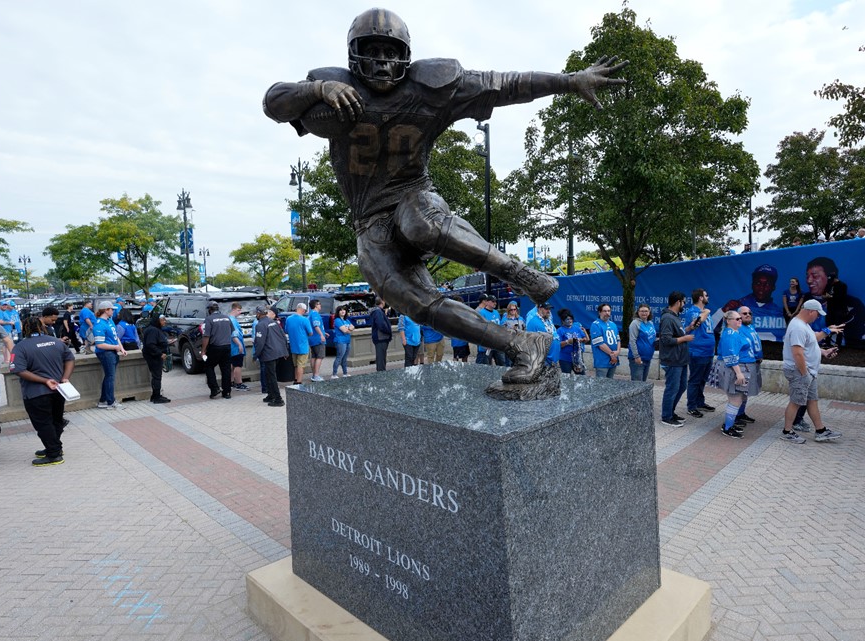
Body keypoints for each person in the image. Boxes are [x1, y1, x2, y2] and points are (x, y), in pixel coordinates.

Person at [263, 8, 626, 385]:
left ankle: (518, 273)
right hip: (369, 221)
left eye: (390, 52)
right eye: (373, 51)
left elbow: (505, 84)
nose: (382, 62)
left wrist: (568, 81)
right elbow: (273, 101)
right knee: (417, 304)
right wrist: (318, 89)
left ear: (405, 55)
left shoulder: (429, 88)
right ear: (354, 54)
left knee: (420, 223)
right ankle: (521, 345)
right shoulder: (335, 90)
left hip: (413, 195)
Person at [11, 315, 75, 467]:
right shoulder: (56, 342)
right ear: (42, 327)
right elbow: (70, 359)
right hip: (59, 390)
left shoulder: (21, 346)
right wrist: (65, 377)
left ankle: (54, 454)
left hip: (36, 393)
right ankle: (54, 447)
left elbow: (18, 369)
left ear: (24, 328)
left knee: (44, 424)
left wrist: (44, 380)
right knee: (56, 420)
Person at [779, 300, 843, 444]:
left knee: (812, 401)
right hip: (801, 372)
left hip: (807, 372)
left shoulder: (803, 325)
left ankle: (820, 431)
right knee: (796, 402)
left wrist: (824, 351)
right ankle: (787, 431)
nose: (818, 317)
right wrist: (804, 374)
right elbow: (797, 354)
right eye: (818, 314)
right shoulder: (798, 327)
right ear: (811, 311)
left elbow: (811, 342)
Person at [804, 257, 865, 346]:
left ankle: (837, 343)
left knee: (838, 328)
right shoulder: (825, 288)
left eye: (815, 276)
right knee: (828, 327)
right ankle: (827, 341)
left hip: (839, 312)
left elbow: (838, 297)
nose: (809, 280)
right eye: (808, 276)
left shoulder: (842, 286)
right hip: (830, 311)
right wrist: (829, 297)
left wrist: (830, 296)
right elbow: (825, 295)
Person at [658, 292, 693, 426]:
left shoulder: (675, 317)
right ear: (678, 302)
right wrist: (685, 338)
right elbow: (666, 339)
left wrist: (688, 329)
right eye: (683, 302)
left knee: (682, 386)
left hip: (681, 359)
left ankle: (671, 412)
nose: (684, 304)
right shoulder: (667, 318)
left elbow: (676, 333)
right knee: (672, 388)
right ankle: (666, 416)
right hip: (673, 360)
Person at [725, 265, 784, 339]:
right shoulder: (738, 305)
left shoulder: (777, 312)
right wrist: (722, 311)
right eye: (758, 283)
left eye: (767, 284)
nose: (761, 287)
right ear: (752, 284)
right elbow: (712, 328)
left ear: (773, 287)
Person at [715, 311, 748, 438]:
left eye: (740, 318)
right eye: (737, 318)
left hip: (730, 367)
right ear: (728, 321)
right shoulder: (729, 334)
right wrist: (739, 373)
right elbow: (730, 356)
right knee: (735, 398)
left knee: (736, 398)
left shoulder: (733, 332)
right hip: (729, 368)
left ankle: (729, 424)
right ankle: (727, 428)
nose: (740, 320)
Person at [683, 289, 715, 417]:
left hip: (708, 352)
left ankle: (700, 402)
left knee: (702, 379)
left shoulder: (706, 313)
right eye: (706, 295)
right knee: (695, 380)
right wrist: (706, 312)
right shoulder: (693, 312)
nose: (708, 297)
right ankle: (691, 406)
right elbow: (696, 323)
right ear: (701, 298)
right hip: (698, 352)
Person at [92, 301, 126, 409]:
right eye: (112, 309)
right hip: (106, 353)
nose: (113, 311)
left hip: (112, 352)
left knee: (109, 377)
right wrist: (116, 347)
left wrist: (121, 348)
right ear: (106, 310)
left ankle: (103, 400)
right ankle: (110, 402)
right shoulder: (99, 325)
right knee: (110, 377)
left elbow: (116, 337)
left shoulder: (110, 321)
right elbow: (100, 345)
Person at [254, 307, 288, 407]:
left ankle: (278, 399)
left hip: (269, 353)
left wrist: (256, 355)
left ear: (259, 314)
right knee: (269, 375)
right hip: (278, 352)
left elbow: (259, 342)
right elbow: (283, 337)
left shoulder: (260, 324)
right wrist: (285, 351)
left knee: (271, 376)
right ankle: (270, 395)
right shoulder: (273, 322)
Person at [735, 306, 763, 426]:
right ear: (738, 316)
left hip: (754, 363)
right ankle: (735, 416)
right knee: (739, 392)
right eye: (744, 313)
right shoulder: (737, 328)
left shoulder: (750, 326)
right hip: (744, 364)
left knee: (746, 392)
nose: (748, 315)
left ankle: (741, 413)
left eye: (750, 313)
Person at [202, 301, 234, 399]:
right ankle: (227, 392)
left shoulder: (209, 319)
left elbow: (206, 336)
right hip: (227, 346)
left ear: (210, 310)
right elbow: (232, 331)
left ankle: (215, 389)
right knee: (226, 369)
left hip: (215, 347)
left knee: (208, 366)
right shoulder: (226, 317)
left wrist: (203, 350)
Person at [141, 314, 172, 404]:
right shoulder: (153, 330)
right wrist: (160, 353)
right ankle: (156, 397)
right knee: (157, 376)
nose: (164, 321)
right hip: (153, 356)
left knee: (156, 376)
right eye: (162, 320)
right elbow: (150, 344)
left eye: (165, 320)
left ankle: (155, 395)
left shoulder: (155, 329)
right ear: (157, 321)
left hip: (155, 355)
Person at [285, 303, 314, 385]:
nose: (305, 312)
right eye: (304, 311)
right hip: (303, 346)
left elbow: (286, 330)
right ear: (302, 310)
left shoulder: (289, 319)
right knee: (301, 365)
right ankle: (299, 382)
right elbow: (310, 332)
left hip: (293, 345)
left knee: (295, 365)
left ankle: (295, 379)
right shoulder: (304, 320)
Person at [627, 304, 656, 382]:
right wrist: (636, 356)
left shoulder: (650, 323)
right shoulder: (635, 323)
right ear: (638, 312)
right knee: (637, 385)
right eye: (642, 311)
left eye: (646, 311)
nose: (644, 313)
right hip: (637, 359)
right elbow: (632, 341)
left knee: (643, 384)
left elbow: (651, 338)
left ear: (649, 312)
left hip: (648, 358)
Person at [525, 302, 560, 368]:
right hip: (543, 362)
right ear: (540, 309)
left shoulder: (548, 320)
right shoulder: (533, 322)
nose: (549, 311)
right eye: (546, 309)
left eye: (549, 309)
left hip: (554, 361)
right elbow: (529, 342)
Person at [590, 303, 620, 378]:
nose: (607, 313)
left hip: (614, 360)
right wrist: (612, 355)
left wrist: (618, 352)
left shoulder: (613, 324)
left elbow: (618, 340)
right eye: (604, 311)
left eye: (609, 311)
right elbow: (600, 344)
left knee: (610, 384)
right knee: (601, 386)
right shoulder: (595, 325)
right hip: (602, 361)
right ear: (599, 312)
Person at [556, 308, 587, 375]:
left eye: (571, 319)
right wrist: (568, 342)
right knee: (567, 378)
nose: (570, 321)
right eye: (567, 319)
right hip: (565, 359)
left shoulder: (576, 328)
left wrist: (581, 340)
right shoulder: (560, 330)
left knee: (582, 377)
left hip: (578, 357)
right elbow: (557, 345)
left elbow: (585, 338)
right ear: (563, 321)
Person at [475, 295, 504, 366]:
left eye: (495, 301)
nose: (495, 303)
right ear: (487, 302)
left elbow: (499, 326)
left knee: (502, 363)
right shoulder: (481, 313)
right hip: (486, 344)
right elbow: (479, 329)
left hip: (497, 343)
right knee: (485, 365)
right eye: (493, 301)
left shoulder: (496, 312)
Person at [228, 303, 249, 391]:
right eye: (238, 310)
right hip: (235, 347)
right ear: (234, 309)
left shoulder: (230, 319)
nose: (240, 312)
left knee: (233, 365)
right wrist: (239, 344)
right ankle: (239, 383)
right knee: (238, 365)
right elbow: (234, 334)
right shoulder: (232, 320)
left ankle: (231, 382)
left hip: (232, 347)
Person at [369, 297, 391, 371]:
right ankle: (381, 376)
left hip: (381, 337)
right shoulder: (378, 312)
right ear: (382, 302)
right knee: (381, 359)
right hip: (381, 337)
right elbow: (381, 324)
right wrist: (388, 331)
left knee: (382, 358)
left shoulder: (378, 311)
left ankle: (381, 373)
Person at [332, 305, 354, 377]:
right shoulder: (337, 320)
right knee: (339, 357)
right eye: (341, 310)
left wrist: (348, 329)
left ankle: (345, 373)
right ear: (338, 312)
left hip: (347, 340)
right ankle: (334, 374)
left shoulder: (346, 320)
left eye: (344, 310)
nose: (343, 311)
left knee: (345, 358)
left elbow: (353, 326)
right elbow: (344, 330)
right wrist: (349, 329)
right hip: (340, 341)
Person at [307, 299, 327, 382]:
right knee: (320, 356)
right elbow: (316, 325)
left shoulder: (310, 314)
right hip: (317, 339)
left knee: (314, 357)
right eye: (319, 304)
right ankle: (316, 375)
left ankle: (314, 374)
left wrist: (324, 332)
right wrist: (321, 335)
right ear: (315, 305)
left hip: (312, 339)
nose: (320, 305)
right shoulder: (315, 314)